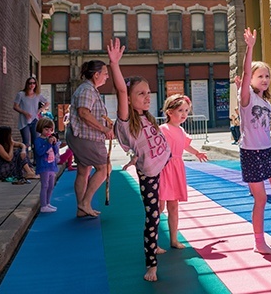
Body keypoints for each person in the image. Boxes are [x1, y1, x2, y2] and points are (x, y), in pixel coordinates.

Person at [108, 38, 171, 282]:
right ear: (129, 98)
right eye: (141, 94)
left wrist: (134, 157)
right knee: (153, 215)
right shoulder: (126, 119)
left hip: (165, 165)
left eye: (148, 93)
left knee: (162, 209)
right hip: (150, 174)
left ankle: (155, 245)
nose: (147, 97)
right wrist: (115, 64)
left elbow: (145, 146)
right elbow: (122, 90)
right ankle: (151, 264)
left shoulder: (146, 118)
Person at [238, 27, 271, 254]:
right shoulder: (246, 97)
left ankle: (258, 184)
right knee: (261, 199)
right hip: (250, 152)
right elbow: (247, 74)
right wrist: (250, 48)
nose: (265, 79)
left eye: (267, 75)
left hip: (268, 151)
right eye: (261, 76)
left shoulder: (265, 101)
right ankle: (259, 243)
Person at [158, 94, 208, 249]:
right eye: (180, 110)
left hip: (177, 168)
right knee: (159, 207)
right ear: (169, 112)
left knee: (174, 206)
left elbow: (185, 145)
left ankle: (173, 239)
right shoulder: (163, 129)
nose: (184, 114)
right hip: (164, 169)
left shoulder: (180, 130)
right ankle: (152, 240)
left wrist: (197, 153)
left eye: (186, 110)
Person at [66, 58, 114, 219]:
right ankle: (85, 203)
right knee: (105, 168)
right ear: (96, 75)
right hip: (86, 137)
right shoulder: (87, 90)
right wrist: (104, 129)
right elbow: (84, 113)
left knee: (83, 170)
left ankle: (82, 208)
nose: (107, 77)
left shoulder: (88, 89)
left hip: (80, 136)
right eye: (105, 73)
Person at [13, 77, 49, 149]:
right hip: (24, 121)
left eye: (34, 83)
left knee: (36, 142)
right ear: (27, 84)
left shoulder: (37, 95)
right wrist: (24, 113)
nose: (32, 85)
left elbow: (47, 103)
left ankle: (36, 160)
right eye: (30, 83)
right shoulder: (21, 94)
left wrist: (40, 109)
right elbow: (15, 106)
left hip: (35, 120)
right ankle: (25, 160)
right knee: (26, 143)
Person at [34, 118, 60, 213]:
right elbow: (40, 152)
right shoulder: (38, 141)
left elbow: (56, 152)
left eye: (50, 130)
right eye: (46, 129)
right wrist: (48, 144)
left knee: (51, 186)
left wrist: (54, 144)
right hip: (43, 166)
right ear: (41, 129)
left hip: (51, 165)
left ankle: (48, 203)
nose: (48, 132)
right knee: (44, 185)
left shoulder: (50, 140)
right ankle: (43, 205)